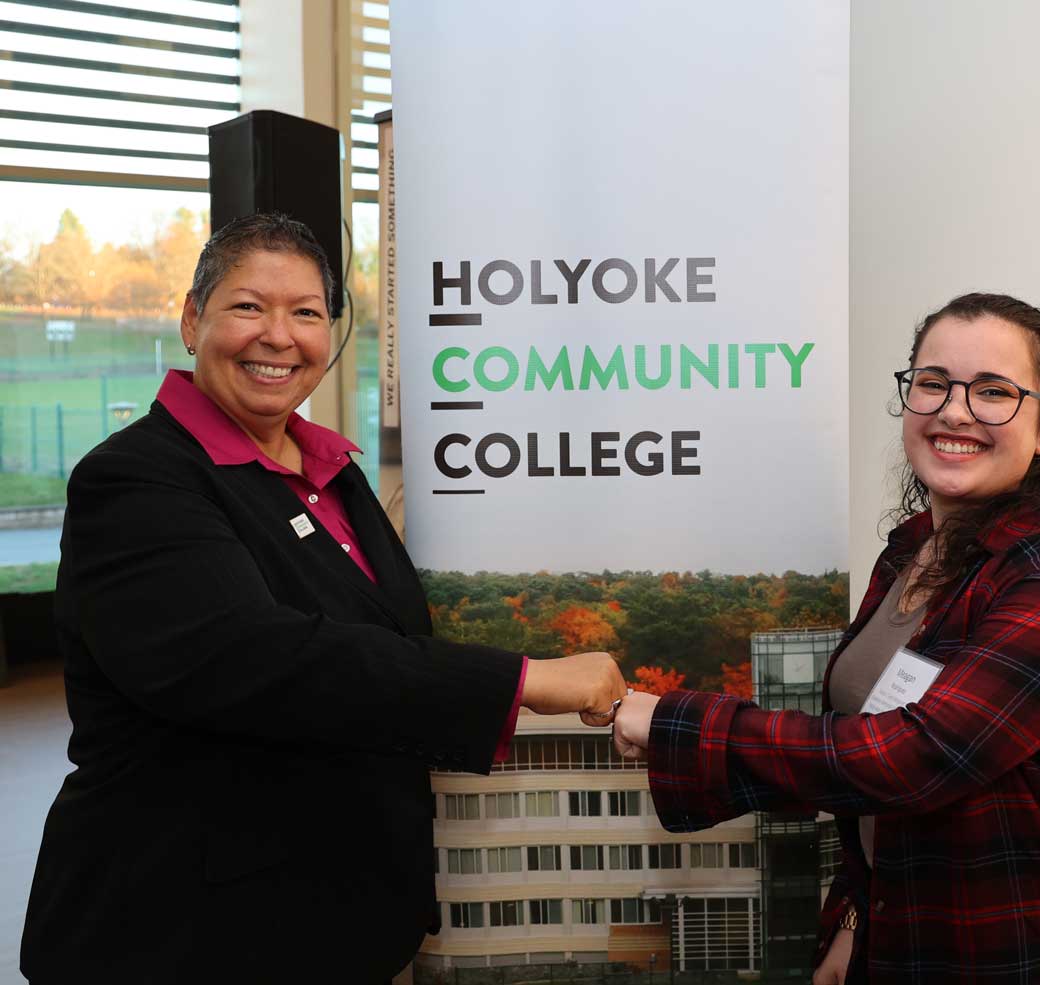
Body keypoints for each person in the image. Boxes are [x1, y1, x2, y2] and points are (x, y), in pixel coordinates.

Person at [21, 214, 627, 985]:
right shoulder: (136, 481)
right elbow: (258, 659)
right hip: (188, 932)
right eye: (248, 306)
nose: (279, 336)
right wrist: (523, 680)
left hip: (339, 916)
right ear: (189, 318)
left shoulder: (330, 470)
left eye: (307, 312)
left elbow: (365, 625)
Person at [613, 294, 1040, 984]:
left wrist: (675, 721)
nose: (954, 410)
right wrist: (857, 921)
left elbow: (918, 755)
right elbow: (861, 754)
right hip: (917, 943)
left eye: (993, 391)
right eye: (933, 383)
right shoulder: (910, 556)